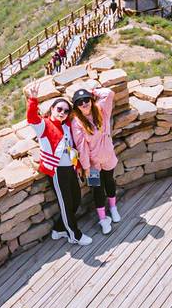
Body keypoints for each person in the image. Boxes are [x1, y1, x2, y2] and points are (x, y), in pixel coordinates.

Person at [25, 81, 92, 245]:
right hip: (57, 171)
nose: (62, 112)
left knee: (76, 200)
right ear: (52, 109)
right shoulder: (44, 125)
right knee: (66, 204)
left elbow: (71, 148)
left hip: (70, 169)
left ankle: (58, 229)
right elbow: (32, 118)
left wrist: (77, 166)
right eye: (59, 109)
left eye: (66, 111)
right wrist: (33, 99)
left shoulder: (67, 126)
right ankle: (74, 235)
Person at [70, 87, 121, 235]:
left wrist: (94, 91)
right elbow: (82, 147)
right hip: (93, 163)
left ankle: (113, 208)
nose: (84, 103)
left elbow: (109, 93)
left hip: (108, 155)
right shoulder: (77, 123)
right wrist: (86, 167)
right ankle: (103, 218)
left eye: (86, 99)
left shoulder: (101, 110)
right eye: (80, 102)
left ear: (92, 100)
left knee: (109, 181)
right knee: (97, 189)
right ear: (76, 106)